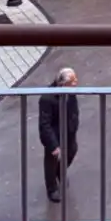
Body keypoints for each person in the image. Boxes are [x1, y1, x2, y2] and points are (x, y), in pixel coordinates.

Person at [38, 68, 80, 202]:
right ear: (63, 84)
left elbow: (73, 110)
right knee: (51, 160)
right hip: (54, 134)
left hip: (68, 131)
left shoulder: (71, 92)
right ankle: (52, 189)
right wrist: (53, 144)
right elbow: (44, 124)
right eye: (72, 81)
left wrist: (74, 126)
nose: (76, 82)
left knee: (72, 150)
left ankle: (60, 171)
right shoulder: (47, 98)